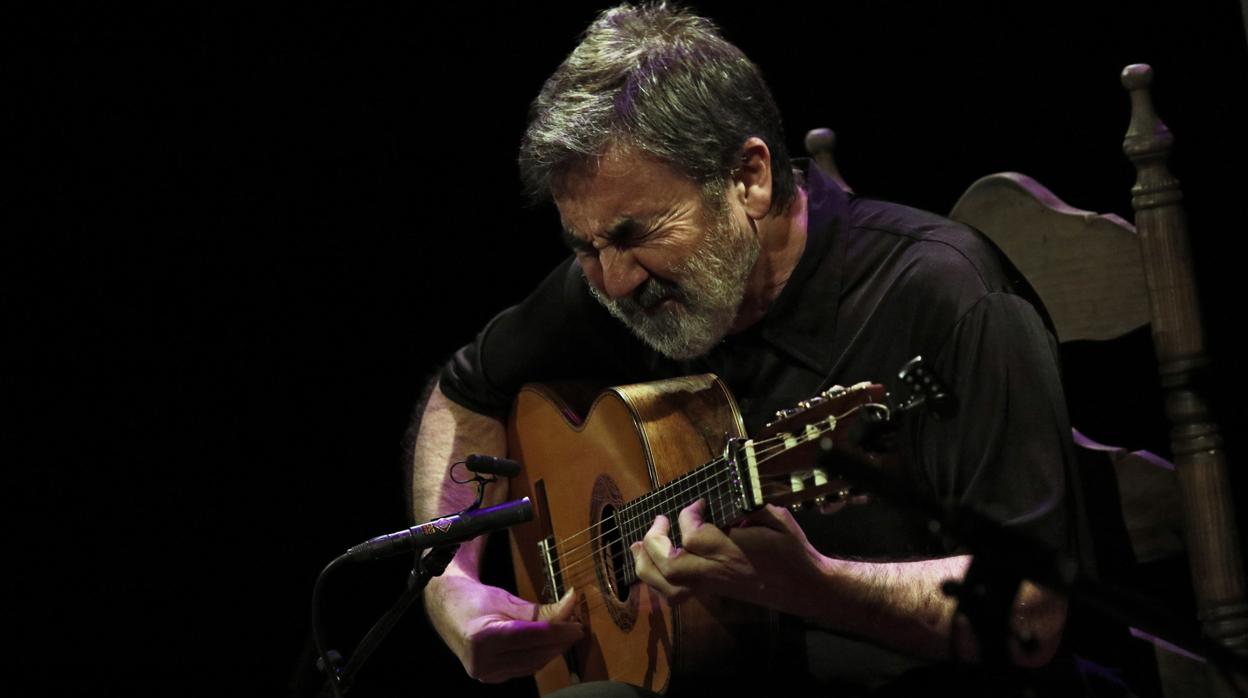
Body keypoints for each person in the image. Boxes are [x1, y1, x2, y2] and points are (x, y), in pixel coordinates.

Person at [408, 3, 1079, 694]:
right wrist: (451, 585)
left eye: (637, 234)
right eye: (585, 247)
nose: (612, 280)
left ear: (749, 178)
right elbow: (464, 393)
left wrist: (818, 584)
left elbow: (1033, 612)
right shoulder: (619, 284)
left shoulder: (946, 296)